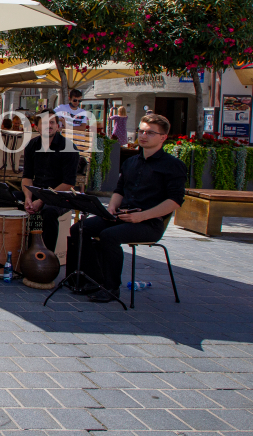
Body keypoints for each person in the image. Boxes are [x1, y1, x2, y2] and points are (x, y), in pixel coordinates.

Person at [66, 113, 186, 303]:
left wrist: (142, 216)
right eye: (141, 131)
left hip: (149, 223)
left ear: (163, 137)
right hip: (122, 217)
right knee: (79, 229)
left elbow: (175, 201)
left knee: (109, 236)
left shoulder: (173, 165)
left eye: (150, 133)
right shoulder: (130, 162)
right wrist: (112, 206)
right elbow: (119, 190)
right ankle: (92, 280)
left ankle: (111, 288)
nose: (143, 135)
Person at [21, 110, 79, 252]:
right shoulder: (32, 146)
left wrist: (42, 201)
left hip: (60, 195)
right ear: (37, 127)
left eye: (52, 122)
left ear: (58, 126)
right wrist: (28, 198)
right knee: (5, 201)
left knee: (49, 212)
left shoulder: (69, 148)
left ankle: (46, 258)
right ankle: (17, 254)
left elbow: (68, 183)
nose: (50, 126)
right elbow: (27, 177)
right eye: (45, 123)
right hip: (37, 191)